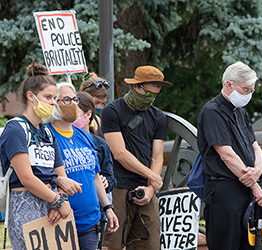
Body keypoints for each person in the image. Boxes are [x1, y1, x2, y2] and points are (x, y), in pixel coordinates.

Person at [0, 62, 72, 249]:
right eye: (47, 97)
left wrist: (60, 199)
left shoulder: (48, 133)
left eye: (54, 98)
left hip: (52, 201)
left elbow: (61, 175)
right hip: (25, 203)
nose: (52, 103)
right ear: (30, 96)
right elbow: (26, 178)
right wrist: (57, 200)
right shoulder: (15, 128)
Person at [197, 61, 262, 250]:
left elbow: (256, 148)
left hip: (245, 190)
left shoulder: (241, 113)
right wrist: (255, 186)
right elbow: (226, 155)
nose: (249, 95)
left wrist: (257, 172)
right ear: (229, 84)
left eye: (251, 90)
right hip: (224, 191)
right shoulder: (212, 112)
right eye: (245, 89)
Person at [101, 65, 172, 250]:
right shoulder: (112, 111)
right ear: (136, 87)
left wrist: (150, 188)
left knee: (150, 243)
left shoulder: (158, 117)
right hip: (118, 186)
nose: (151, 100)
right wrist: (154, 177)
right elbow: (119, 153)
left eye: (156, 96)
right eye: (149, 94)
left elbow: (157, 157)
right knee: (113, 243)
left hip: (145, 188)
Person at [43, 82, 119, 250]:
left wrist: (108, 207)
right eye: (67, 99)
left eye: (75, 99)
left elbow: (95, 176)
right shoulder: (45, 135)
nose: (73, 104)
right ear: (54, 103)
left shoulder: (86, 137)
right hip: (60, 221)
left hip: (90, 222)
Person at [79, 72, 110, 138]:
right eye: (96, 103)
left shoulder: (97, 120)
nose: (100, 107)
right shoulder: (77, 120)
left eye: (103, 103)